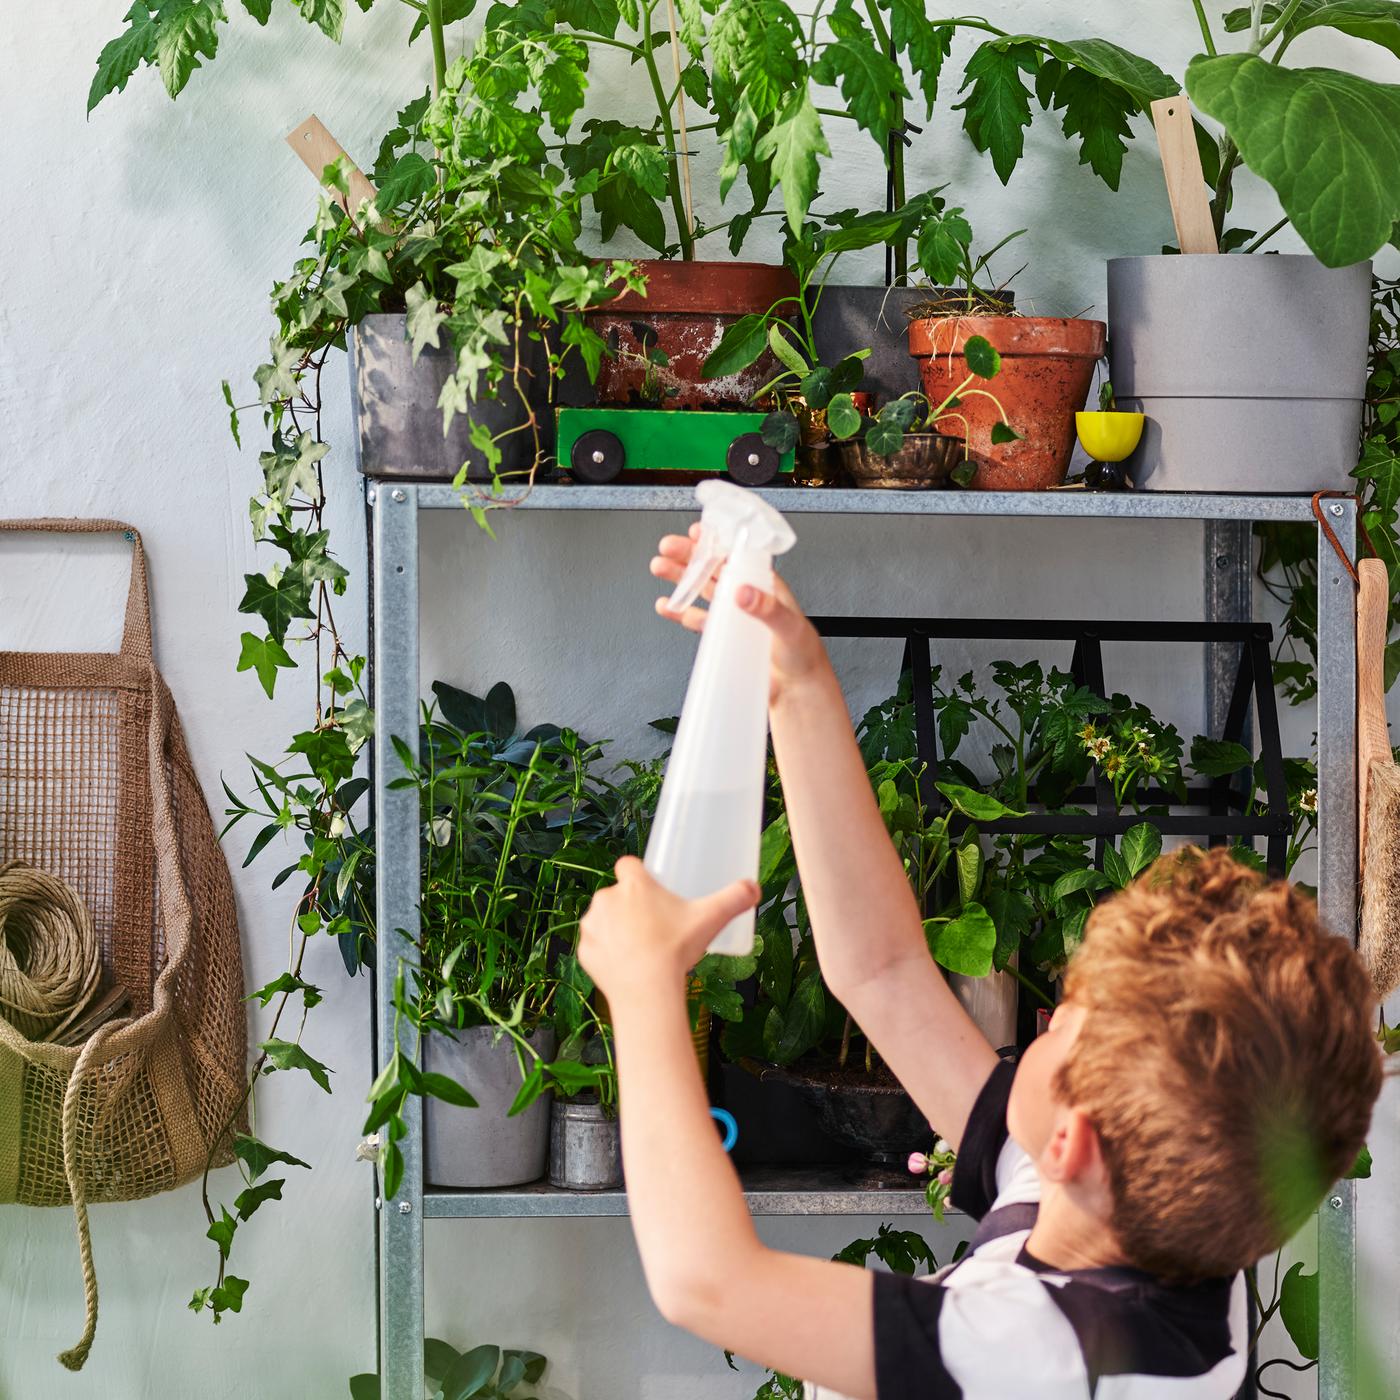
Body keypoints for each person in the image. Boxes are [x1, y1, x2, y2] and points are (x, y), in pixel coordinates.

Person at [576, 527, 1382, 1399]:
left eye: (1057, 1027)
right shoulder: (1143, 1221)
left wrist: (646, 992)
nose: (1039, 1023)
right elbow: (882, 971)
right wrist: (800, 685)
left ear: (1075, 1144)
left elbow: (709, 1282)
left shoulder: (1051, 1354)